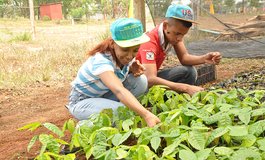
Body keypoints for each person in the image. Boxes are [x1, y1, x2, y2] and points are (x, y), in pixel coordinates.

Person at [68, 18, 160, 127]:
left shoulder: (123, 57)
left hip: (104, 95)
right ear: (112, 44)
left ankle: (118, 115)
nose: (130, 56)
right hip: (82, 102)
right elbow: (118, 90)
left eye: (135, 50)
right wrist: (146, 115)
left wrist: (131, 68)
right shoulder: (101, 61)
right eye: (125, 50)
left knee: (140, 81)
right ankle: (84, 127)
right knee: (120, 112)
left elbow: (122, 71)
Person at [136, 4, 222, 96]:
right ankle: (152, 100)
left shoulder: (171, 35)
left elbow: (184, 58)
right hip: (137, 84)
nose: (179, 39)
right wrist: (185, 88)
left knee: (189, 72)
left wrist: (205, 58)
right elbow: (149, 79)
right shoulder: (150, 41)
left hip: (149, 79)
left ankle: (171, 99)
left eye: (183, 35)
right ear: (165, 26)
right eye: (177, 34)